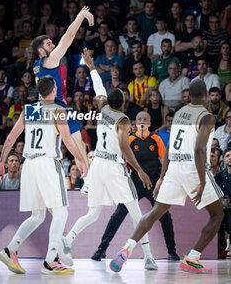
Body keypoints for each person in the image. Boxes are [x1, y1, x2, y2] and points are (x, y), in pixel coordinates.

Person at [110, 79, 224, 274]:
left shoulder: (179, 113)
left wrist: (162, 177)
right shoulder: (207, 116)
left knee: (155, 212)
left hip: (173, 168)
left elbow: (170, 146)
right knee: (217, 214)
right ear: (205, 95)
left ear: (189, 96)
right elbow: (198, 150)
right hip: (193, 168)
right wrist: (203, 181)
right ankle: (193, 258)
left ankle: (126, 247)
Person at [58, 49, 157, 271]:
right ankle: (149, 256)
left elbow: (98, 87)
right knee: (136, 214)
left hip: (98, 166)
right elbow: (124, 146)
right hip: (113, 166)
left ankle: (68, 239)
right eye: (124, 96)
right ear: (122, 103)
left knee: (92, 213)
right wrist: (139, 170)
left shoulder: (103, 109)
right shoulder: (122, 119)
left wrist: (92, 66)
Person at [0, 76, 87, 274]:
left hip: (28, 164)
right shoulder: (58, 110)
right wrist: (81, 159)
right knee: (61, 211)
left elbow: (11, 137)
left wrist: (1, 162)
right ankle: (50, 261)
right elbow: (68, 140)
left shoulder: (29, 110)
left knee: (37, 215)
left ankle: (11, 249)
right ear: (54, 90)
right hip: (47, 163)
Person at [91, 111, 179, 262]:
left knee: (165, 216)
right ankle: (101, 249)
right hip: (134, 182)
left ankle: (172, 252)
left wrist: (164, 179)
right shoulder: (130, 139)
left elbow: (165, 159)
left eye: (145, 119)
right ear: (135, 124)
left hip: (153, 181)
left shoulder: (156, 139)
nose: (142, 122)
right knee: (118, 214)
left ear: (150, 123)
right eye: (139, 120)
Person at [32, 6, 93, 174]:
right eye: (49, 43)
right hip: (56, 107)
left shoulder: (36, 66)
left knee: (72, 139)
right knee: (74, 139)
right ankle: (85, 174)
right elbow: (69, 36)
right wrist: (80, 16)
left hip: (43, 109)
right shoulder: (49, 61)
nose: (53, 44)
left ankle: (82, 173)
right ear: (41, 51)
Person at [215, 148, 231, 235]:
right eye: (227, 156)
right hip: (221, 210)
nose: (230, 158)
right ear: (223, 159)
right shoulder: (219, 175)